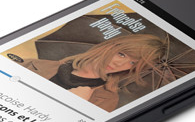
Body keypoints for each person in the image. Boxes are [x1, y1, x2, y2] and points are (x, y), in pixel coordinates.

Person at [21, 34, 167, 112]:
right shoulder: (36, 64)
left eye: (132, 63)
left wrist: (77, 104)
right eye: (121, 54)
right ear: (110, 46)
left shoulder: (106, 99)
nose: (120, 64)